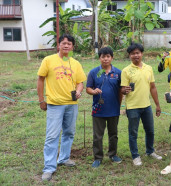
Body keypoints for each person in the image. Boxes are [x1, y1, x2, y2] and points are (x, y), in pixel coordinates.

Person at [37, 34, 87, 181]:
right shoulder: (48, 60)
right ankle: (49, 168)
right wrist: (41, 100)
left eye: (69, 44)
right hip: (54, 104)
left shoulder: (76, 63)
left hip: (71, 105)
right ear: (58, 45)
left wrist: (78, 91)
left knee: (69, 133)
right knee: (52, 136)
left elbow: (80, 82)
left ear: (73, 47)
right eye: (63, 43)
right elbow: (40, 79)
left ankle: (64, 158)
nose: (66, 46)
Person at [121, 43, 162, 166]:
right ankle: (135, 156)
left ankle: (150, 151)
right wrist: (125, 90)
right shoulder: (126, 71)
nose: (135, 55)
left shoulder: (148, 68)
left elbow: (153, 87)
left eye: (138, 53)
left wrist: (157, 105)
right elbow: (122, 89)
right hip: (133, 107)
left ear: (142, 54)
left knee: (150, 131)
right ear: (129, 55)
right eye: (133, 53)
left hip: (147, 106)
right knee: (133, 132)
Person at [86, 47, 123, 168]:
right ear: (99, 58)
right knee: (97, 135)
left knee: (113, 134)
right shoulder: (93, 72)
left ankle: (113, 154)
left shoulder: (118, 73)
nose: (105, 59)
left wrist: (118, 105)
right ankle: (98, 157)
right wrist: (94, 91)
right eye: (103, 56)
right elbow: (88, 89)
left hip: (113, 109)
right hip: (98, 109)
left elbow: (120, 91)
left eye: (108, 56)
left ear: (112, 58)